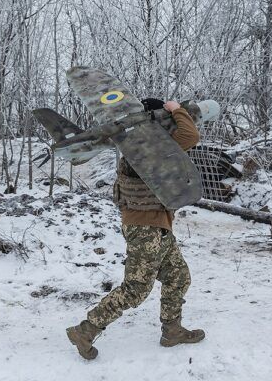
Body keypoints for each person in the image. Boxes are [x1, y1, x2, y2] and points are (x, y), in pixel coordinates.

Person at [66, 98, 205, 360]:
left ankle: (172, 331)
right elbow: (190, 134)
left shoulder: (140, 143)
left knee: (178, 277)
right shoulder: (145, 146)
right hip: (145, 228)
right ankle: (85, 330)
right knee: (136, 289)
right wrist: (177, 111)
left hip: (157, 226)